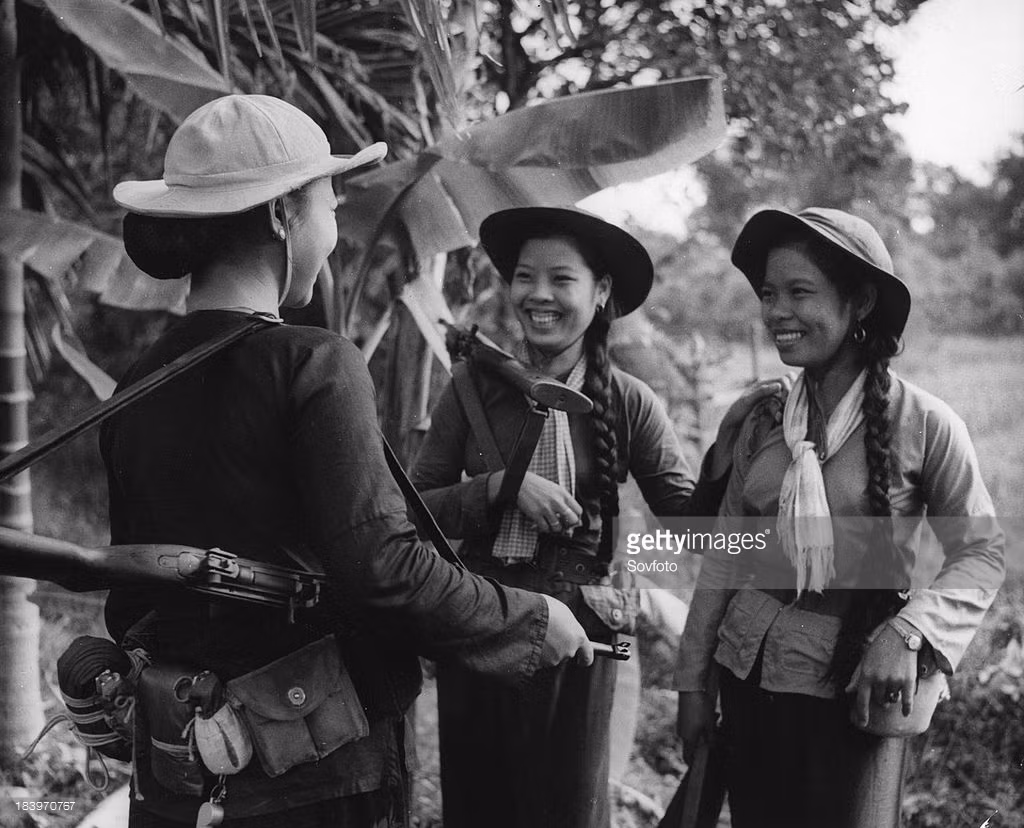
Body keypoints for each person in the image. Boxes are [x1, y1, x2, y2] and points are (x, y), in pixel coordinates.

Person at [103, 94, 594, 828]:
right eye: (328, 203)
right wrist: (528, 619)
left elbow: (140, 591)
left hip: (181, 760)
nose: (334, 230)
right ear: (281, 216)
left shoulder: (132, 385)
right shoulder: (315, 363)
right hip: (313, 776)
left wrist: (490, 491)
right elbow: (383, 568)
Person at [411, 206, 780, 828]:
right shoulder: (471, 388)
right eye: (525, 277)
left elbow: (689, 530)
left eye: (562, 279)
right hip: (478, 622)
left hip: (582, 639)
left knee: (569, 809)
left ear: (601, 292)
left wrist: (729, 440)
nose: (539, 295)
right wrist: (501, 488)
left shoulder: (629, 401)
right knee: (479, 806)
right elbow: (414, 511)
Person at [673, 207, 1005, 828]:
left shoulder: (927, 424)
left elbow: (980, 554)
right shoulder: (764, 422)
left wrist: (905, 633)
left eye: (800, 292)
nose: (776, 312)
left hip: (854, 696)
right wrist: (693, 683)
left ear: (859, 302)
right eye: (769, 293)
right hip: (748, 679)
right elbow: (727, 555)